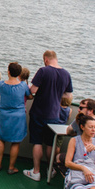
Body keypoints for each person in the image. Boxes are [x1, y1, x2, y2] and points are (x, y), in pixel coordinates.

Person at [26, 50, 73, 181]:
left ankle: (36, 172)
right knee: (50, 143)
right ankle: (50, 169)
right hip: (54, 114)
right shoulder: (66, 74)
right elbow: (68, 95)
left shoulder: (43, 71)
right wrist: (56, 94)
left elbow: (33, 90)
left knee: (37, 142)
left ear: (46, 59)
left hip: (39, 112)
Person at [0, 62, 30, 175]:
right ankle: (11, 167)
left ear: (8, 71)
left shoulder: (1, 84)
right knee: (16, 141)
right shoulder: (23, 85)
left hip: (3, 114)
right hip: (18, 116)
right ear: (19, 73)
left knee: (0, 138)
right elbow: (29, 96)